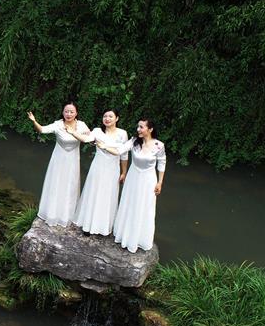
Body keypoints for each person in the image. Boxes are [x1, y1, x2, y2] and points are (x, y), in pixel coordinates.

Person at [99, 119, 167, 253]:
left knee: (144, 206)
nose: (138, 129)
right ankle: (124, 234)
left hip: (148, 180)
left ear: (150, 129)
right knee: (130, 203)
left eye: (141, 127)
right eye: (138, 127)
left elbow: (162, 163)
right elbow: (119, 150)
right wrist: (105, 146)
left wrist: (160, 182)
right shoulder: (134, 141)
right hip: (133, 177)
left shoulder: (159, 145)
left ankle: (140, 238)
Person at [27, 104, 90, 227]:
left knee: (70, 184)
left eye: (72, 112)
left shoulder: (81, 125)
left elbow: (89, 138)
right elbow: (42, 130)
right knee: (56, 182)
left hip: (73, 160)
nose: (69, 114)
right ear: (63, 112)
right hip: (59, 159)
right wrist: (34, 121)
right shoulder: (58, 124)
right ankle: (51, 213)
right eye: (66, 111)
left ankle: (67, 214)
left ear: (76, 113)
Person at [72, 109, 129, 235]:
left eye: (110, 116)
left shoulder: (122, 134)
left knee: (108, 195)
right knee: (94, 193)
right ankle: (88, 225)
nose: (107, 118)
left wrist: (123, 172)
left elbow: (124, 155)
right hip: (97, 167)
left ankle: (102, 227)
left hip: (113, 169)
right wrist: (73, 132)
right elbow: (86, 139)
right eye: (105, 116)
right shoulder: (97, 131)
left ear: (117, 118)